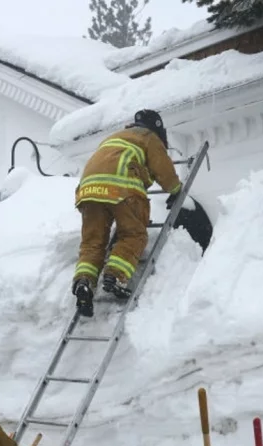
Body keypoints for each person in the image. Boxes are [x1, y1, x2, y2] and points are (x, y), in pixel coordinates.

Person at [72, 108, 183, 317]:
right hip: (121, 187)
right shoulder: (148, 137)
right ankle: (114, 276)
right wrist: (175, 190)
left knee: (92, 242)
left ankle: (84, 283)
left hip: (88, 190)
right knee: (133, 234)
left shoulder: (115, 137)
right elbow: (163, 168)